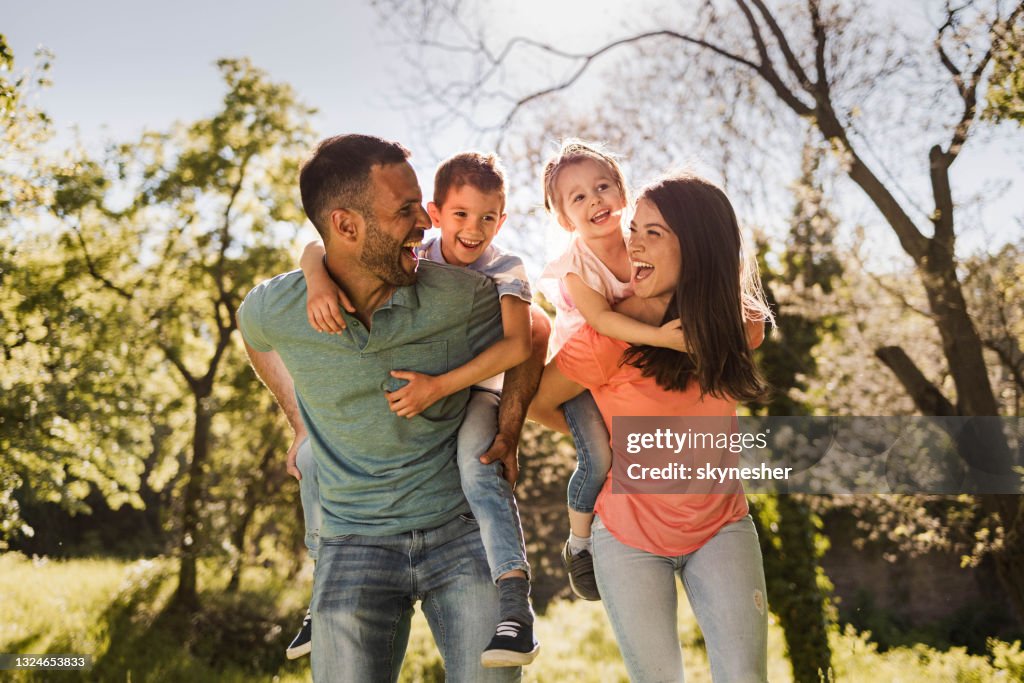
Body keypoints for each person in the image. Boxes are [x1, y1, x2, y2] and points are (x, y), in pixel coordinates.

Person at [238, 134, 541, 682]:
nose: (425, 223)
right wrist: (300, 423)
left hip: (459, 531)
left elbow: (532, 333)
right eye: (405, 210)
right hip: (352, 540)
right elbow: (253, 335)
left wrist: (510, 425)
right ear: (346, 226)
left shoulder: (463, 293)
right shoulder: (277, 307)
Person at [530, 172, 773, 682]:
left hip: (721, 524)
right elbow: (538, 404)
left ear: (698, 244)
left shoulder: (741, 324)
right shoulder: (607, 339)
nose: (632, 242)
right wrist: (609, 452)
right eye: (633, 229)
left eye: (652, 233)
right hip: (628, 536)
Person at [535, 139, 687, 601]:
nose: (594, 200)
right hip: (579, 374)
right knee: (598, 457)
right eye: (578, 197)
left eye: (602, 187)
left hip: (625, 365)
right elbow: (601, 321)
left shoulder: (641, 241)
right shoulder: (575, 266)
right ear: (565, 219)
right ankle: (579, 543)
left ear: (623, 194)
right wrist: (662, 337)